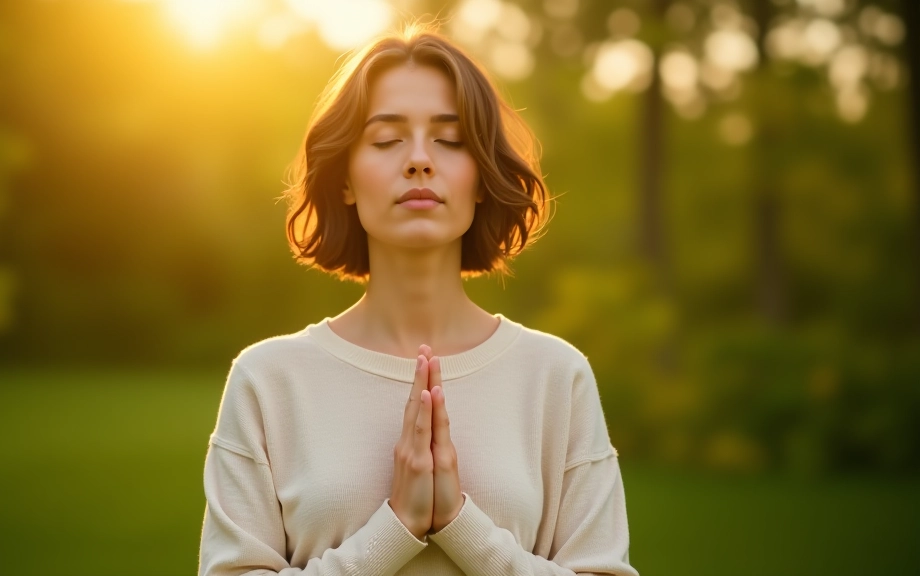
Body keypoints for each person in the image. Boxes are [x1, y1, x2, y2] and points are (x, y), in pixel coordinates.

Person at [197, 22, 638, 576]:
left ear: (481, 178)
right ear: (345, 181)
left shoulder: (556, 377)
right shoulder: (267, 380)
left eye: (450, 141)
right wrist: (394, 530)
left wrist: (461, 525)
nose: (419, 160)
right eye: (386, 140)